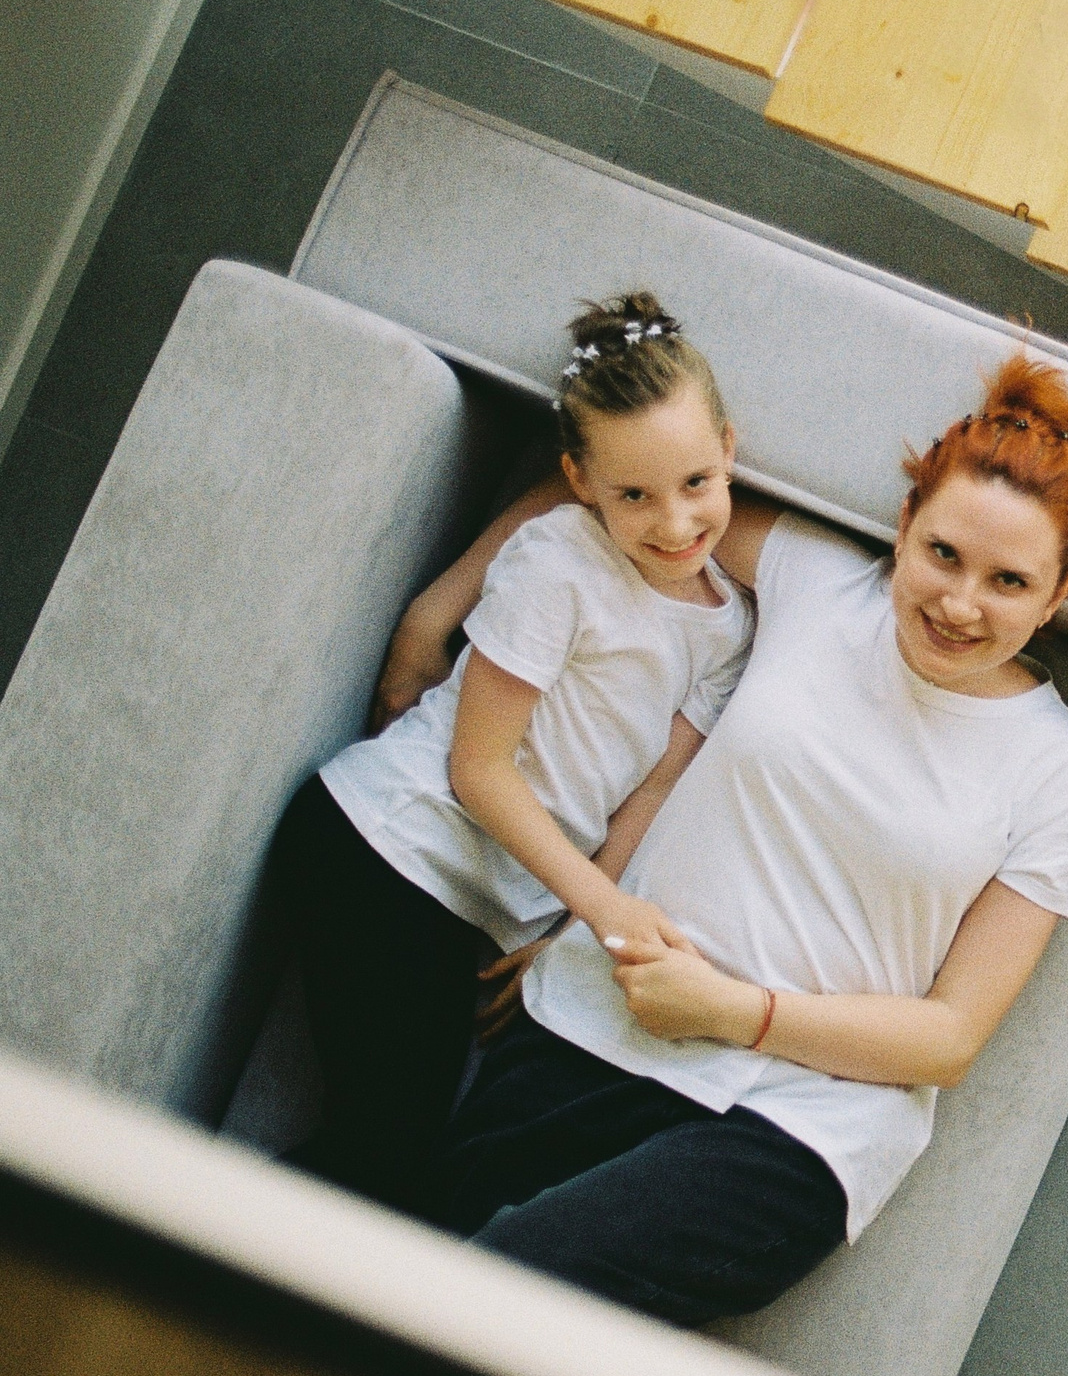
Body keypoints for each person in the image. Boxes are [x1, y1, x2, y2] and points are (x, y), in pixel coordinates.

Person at [359, 353, 1068, 1322]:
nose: (960, 603)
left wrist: (734, 1009)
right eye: (942, 555)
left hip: (799, 1118)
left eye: (1009, 580)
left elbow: (949, 1037)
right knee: (394, 1273)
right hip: (601, 1024)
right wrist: (436, 610)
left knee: (513, 1286)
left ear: (1056, 596)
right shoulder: (815, 579)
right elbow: (606, 502)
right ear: (902, 528)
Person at [270, 295, 753, 1215]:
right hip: (386, 848)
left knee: (407, 1167)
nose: (675, 522)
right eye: (634, 496)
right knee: (384, 1160)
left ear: (731, 448)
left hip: (474, 909)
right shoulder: (560, 560)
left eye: (696, 482)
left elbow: (652, 789)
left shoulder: (731, 628)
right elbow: (477, 769)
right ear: (580, 480)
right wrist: (602, 907)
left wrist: (572, 937)